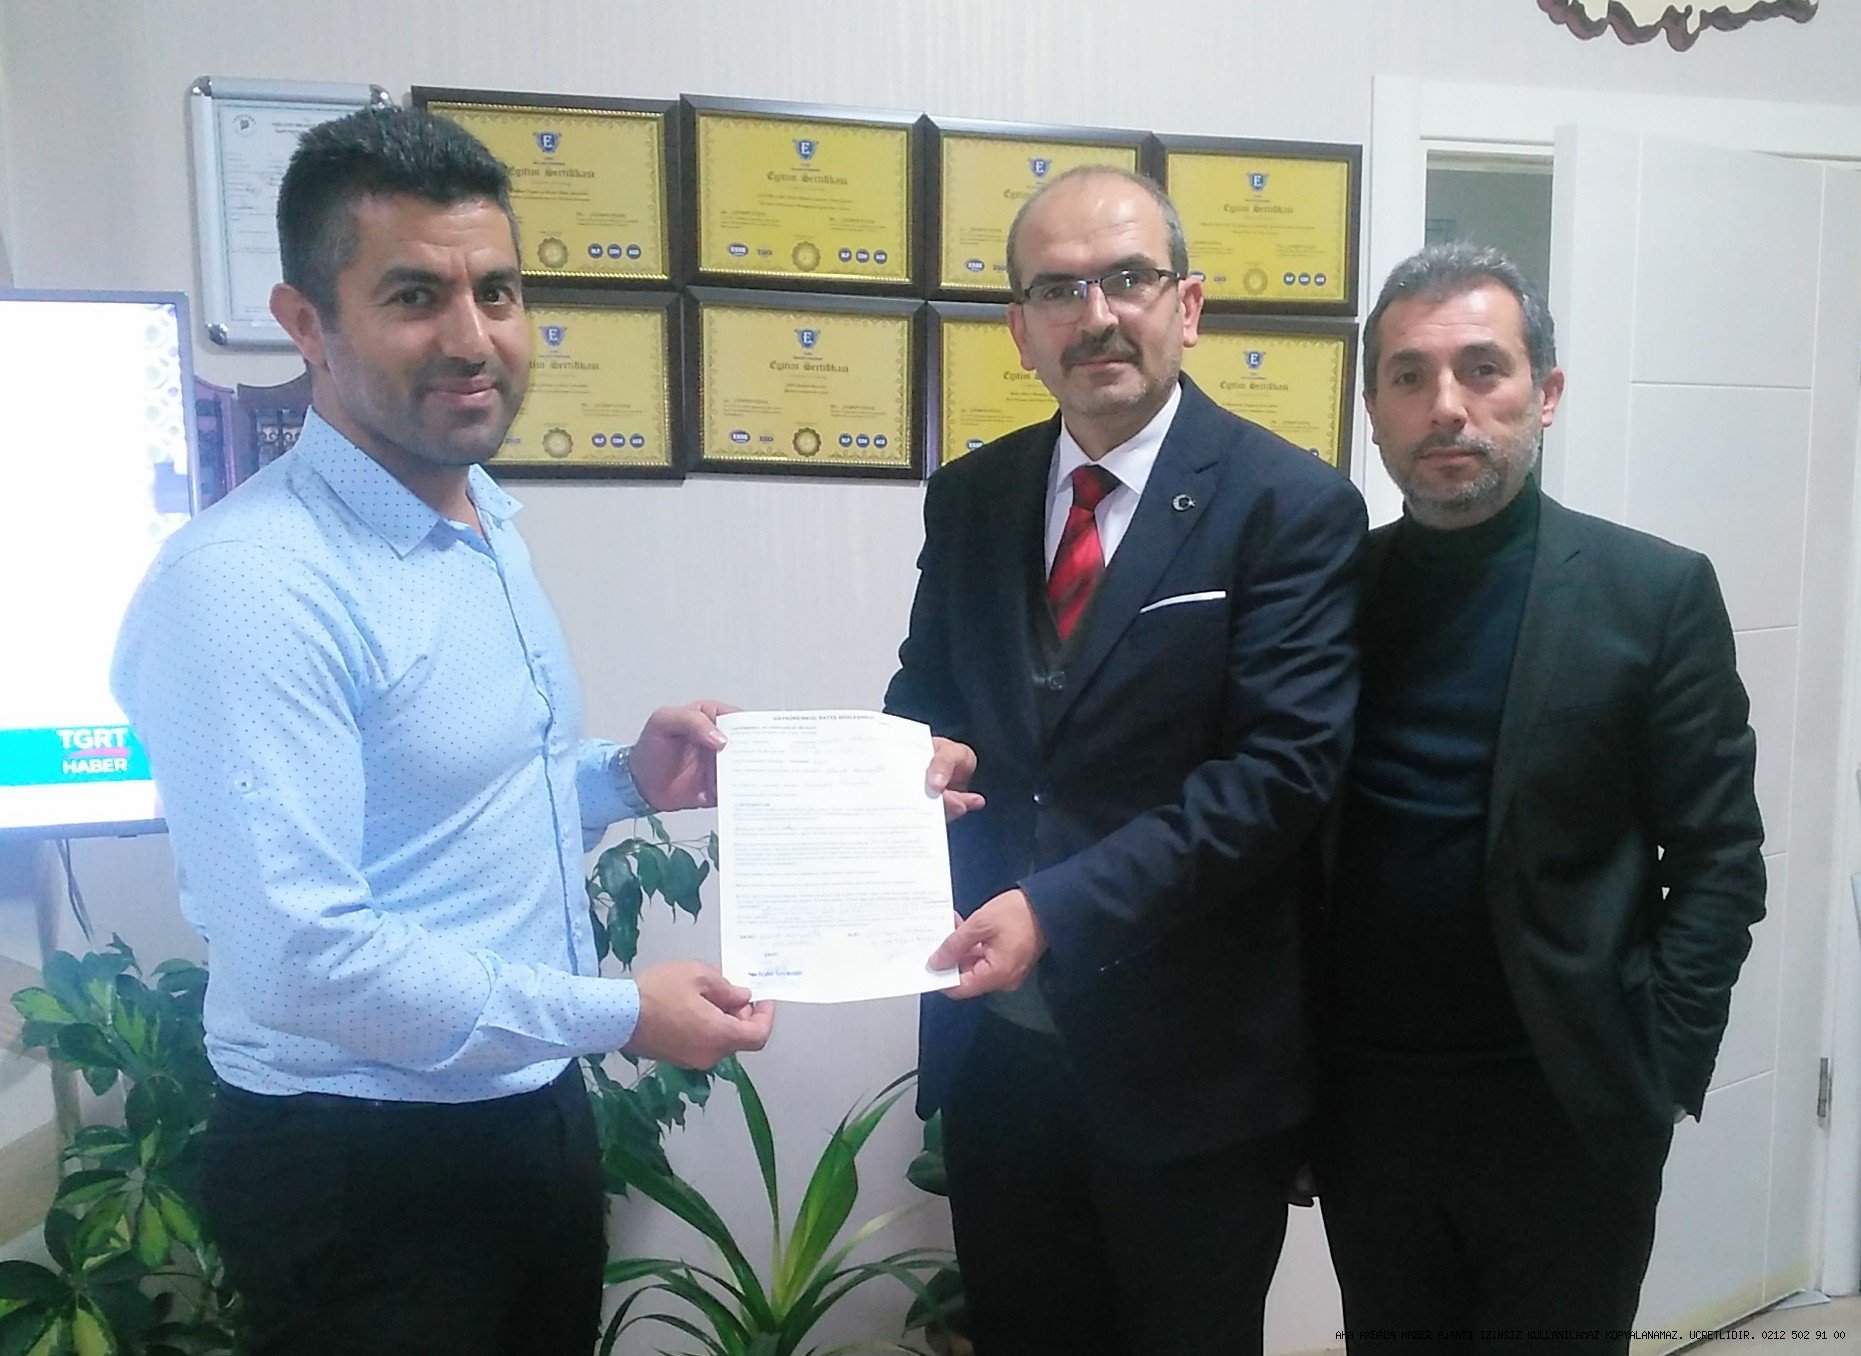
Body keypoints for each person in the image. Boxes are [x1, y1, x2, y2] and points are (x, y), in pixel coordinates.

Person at [110, 107, 772, 1356]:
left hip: (523, 1114)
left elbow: (450, 801)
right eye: (415, 295)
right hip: (361, 1169)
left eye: (498, 292)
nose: (474, 339)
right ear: (307, 323)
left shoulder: (476, 520)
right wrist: (617, 1013)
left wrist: (624, 779)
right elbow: (302, 954)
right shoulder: (250, 584)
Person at [886, 165, 1365, 1355]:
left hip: (1193, 1075)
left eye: (1128, 279)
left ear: (1185, 306)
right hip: (1000, 1059)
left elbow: (1278, 778)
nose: (1096, 315)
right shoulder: (973, 497)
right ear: (1020, 329)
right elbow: (923, 694)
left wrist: (1053, 909)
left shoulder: (1289, 505)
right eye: (1058, 289)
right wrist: (921, 757)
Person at [1316, 242, 1765, 1353]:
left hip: (1568, 1108)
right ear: (1372, 409)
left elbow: (1718, 861)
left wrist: (1658, 1070)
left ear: (1545, 392)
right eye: (1409, 376)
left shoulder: (1651, 593)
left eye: (1483, 368)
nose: (1446, 406)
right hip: (1369, 1111)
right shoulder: (1326, 597)